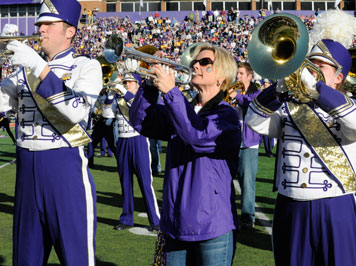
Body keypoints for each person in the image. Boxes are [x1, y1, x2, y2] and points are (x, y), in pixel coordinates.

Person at [246, 10, 356, 266]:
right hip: (291, 206)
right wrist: (277, 91)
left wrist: (317, 90)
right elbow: (254, 121)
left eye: (320, 65)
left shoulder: (355, 107)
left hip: (335, 207)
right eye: (308, 62)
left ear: (338, 77)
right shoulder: (288, 105)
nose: (309, 69)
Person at [0, 0, 102, 265]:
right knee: (25, 258)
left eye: (48, 24)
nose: (40, 29)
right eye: (39, 24)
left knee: (76, 257)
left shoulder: (86, 66)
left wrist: (39, 67)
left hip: (64, 169)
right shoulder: (25, 71)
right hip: (26, 171)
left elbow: (77, 110)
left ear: (70, 31)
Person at [129, 44, 240, 265]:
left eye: (205, 62)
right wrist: (150, 86)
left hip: (211, 226)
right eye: (194, 62)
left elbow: (197, 135)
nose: (196, 65)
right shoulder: (181, 107)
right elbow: (142, 121)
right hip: (175, 223)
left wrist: (171, 92)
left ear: (222, 77)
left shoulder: (226, 115)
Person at [102, 72, 160, 231]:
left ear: (138, 84)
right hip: (122, 141)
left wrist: (121, 90)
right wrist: (110, 94)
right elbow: (107, 115)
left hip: (139, 139)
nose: (127, 84)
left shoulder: (142, 97)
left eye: (130, 82)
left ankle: (155, 220)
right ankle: (126, 218)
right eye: (126, 82)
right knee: (125, 182)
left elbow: (137, 107)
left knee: (145, 182)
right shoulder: (118, 99)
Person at [229, 62, 261, 229]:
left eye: (241, 74)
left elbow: (252, 106)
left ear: (249, 76)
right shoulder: (233, 91)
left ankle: (248, 216)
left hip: (249, 144)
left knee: (247, 183)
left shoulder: (257, 93)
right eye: (237, 73)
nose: (238, 77)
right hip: (232, 142)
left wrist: (237, 96)